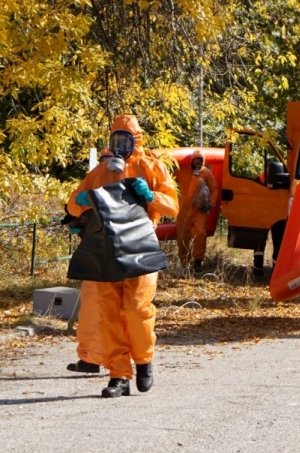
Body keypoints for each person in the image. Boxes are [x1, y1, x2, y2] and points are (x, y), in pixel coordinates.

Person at [67, 114, 179, 397]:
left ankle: (144, 362)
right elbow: (72, 205)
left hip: (140, 246)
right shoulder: (101, 171)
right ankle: (118, 376)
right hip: (106, 248)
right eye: (115, 139)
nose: (119, 146)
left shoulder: (151, 167)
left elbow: (173, 207)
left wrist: (151, 196)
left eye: (125, 140)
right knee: (109, 314)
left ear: (135, 141)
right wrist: (80, 201)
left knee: (137, 309)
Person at [176, 149, 219, 272]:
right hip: (183, 209)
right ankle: (184, 263)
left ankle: (198, 262)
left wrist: (210, 204)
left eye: (200, 161)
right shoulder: (181, 170)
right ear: (191, 161)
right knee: (182, 235)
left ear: (203, 161)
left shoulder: (206, 172)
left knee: (200, 234)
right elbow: (169, 182)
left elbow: (214, 189)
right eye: (196, 160)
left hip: (199, 209)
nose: (198, 163)